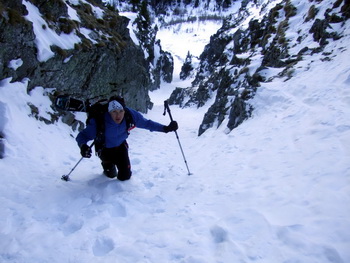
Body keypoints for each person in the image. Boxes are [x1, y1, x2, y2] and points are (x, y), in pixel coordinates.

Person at [76, 96, 178, 181]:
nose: (118, 115)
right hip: (104, 149)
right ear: (109, 112)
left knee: (125, 176)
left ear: (124, 110)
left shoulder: (130, 115)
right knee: (111, 174)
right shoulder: (99, 121)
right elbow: (82, 136)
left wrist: (166, 128)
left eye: (121, 111)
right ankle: (107, 166)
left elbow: (147, 124)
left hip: (120, 148)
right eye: (114, 112)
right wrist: (83, 146)